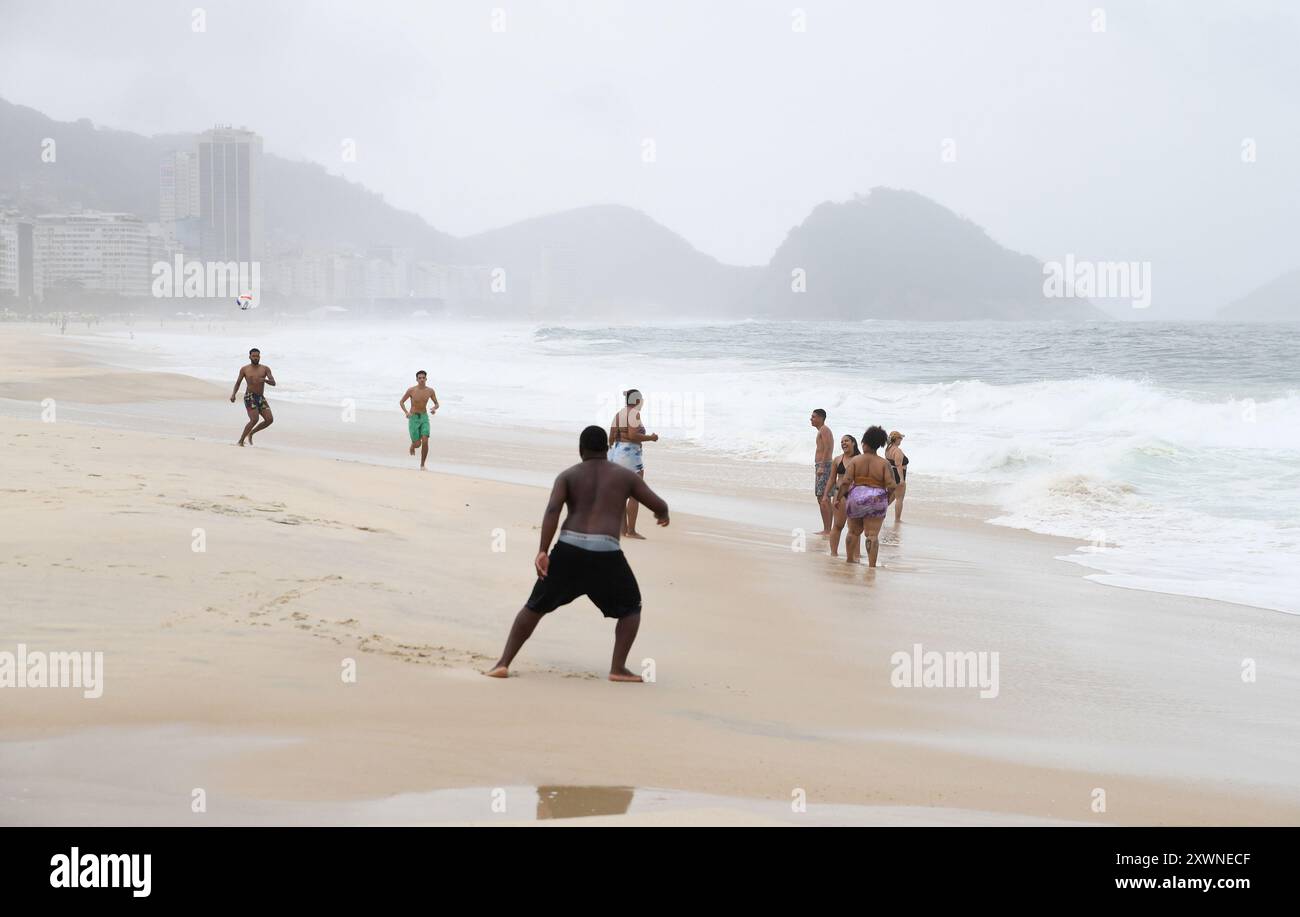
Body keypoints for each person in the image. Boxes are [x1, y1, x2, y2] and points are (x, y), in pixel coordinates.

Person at [485, 425, 670, 682]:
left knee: (534, 606)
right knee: (631, 607)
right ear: (606, 449)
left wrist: (542, 551)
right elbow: (658, 503)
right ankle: (617, 668)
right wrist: (663, 514)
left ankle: (502, 663)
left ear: (580, 450)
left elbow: (552, 511)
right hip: (606, 553)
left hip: (568, 550)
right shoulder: (625, 477)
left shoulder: (567, 476)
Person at [837, 425, 897, 567]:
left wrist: (838, 498)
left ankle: (850, 560)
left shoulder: (855, 461)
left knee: (852, 531)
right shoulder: (884, 463)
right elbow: (892, 485)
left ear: (864, 443)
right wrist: (886, 500)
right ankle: (871, 566)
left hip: (856, 496)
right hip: (877, 497)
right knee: (872, 535)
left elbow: (845, 482)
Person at [607, 389, 659, 539]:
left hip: (617, 453)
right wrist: (651, 438)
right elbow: (632, 435)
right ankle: (631, 531)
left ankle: (623, 530)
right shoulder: (634, 413)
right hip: (630, 455)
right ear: (637, 401)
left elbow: (611, 437)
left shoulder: (618, 414)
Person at [230, 347, 276, 446]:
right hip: (249, 397)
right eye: (254, 356)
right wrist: (233, 394)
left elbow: (273, 383)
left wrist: (265, 380)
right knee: (254, 419)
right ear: (250, 357)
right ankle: (240, 441)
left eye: (257, 356)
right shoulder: (244, 369)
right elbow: (238, 383)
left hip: (260, 397)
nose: (256, 358)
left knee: (269, 420)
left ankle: (251, 433)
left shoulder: (265, 369)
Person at [826, 434, 860, 557]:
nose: (843, 443)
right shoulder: (837, 459)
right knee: (838, 525)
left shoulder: (859, 459)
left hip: (854, 495)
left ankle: (856, 555)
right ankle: (833, 553)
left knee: (854, 528)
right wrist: (825, 495)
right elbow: (831, 479)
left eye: (846, 441)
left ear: (853, 443)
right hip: (838, 494)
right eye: (842, 442)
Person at [399, 370, 440, 470]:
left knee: (425, 440)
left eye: (423, 378)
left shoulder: (430, 391)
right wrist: (406, 412)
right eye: (419, 378)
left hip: (424, 417)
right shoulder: (411, 390)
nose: (421, 379)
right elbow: (401, 402)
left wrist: (434, 408)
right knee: (418, 444)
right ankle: (413, 446)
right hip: (413, 418)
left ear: (426, 379)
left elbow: (437, 403)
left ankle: (422, 465)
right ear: (417, 379)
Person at [810, 409, 834, 535]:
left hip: (824, 466)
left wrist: (822, 466)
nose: (811, 419)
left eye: (813, 417)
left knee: (823, 497)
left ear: (820, 418)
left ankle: (827, 530)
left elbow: (828, 448)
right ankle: (828, 529)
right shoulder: (822, 430)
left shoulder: (824, 429)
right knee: (822, 498)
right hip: (822, 465)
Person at [886, 430, 909, 523]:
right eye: (900, 438)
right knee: (899, 498)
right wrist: (902, 480)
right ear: (896, 439)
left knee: (891, 497)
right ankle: (897, 519)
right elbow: (898, 465)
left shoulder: (888, 449)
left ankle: (880, 511)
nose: (901, 441)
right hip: (898, 474)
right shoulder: (897, 450)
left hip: (891, 474)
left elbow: (887, 463)